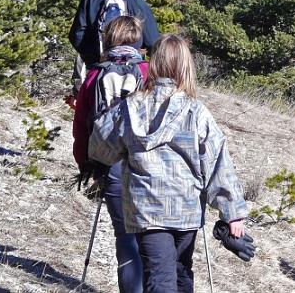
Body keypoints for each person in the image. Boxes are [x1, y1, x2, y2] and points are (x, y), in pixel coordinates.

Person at [88, 34, 248, 293]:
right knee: (180, 274)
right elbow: (218, 162)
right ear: (186, 67)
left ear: (154, 62)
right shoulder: (196, 111)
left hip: (146, 210)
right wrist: (233, 213)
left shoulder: (130, 107)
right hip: (186, 208)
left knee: (162, 277)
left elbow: (99, 148)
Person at [73, 16, 147, 293]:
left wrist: (86, 163)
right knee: (152, 236)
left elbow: (82, 125)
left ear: (109, 39)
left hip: (111, 162)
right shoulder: (149, 72)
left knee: (125, 235)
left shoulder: (95, 75)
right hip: (148, 164)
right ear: (138, 39)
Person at [68, 0, 160, 97]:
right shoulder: (136, 2)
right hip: (133, 73)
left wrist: (93, 60)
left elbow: (77, 35)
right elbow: (153, 42)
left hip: (98, 71)